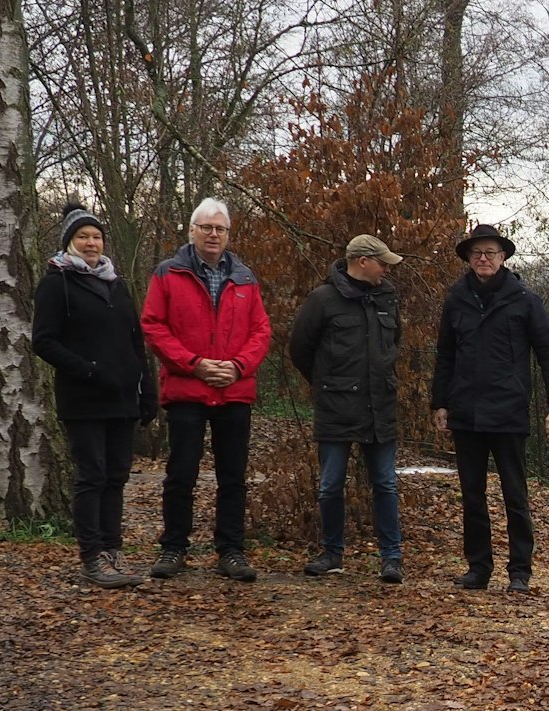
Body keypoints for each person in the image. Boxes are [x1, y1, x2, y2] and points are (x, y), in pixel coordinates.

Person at [141, 197, 272, 582]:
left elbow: (261, 330)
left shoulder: (245, 278)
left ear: (228, 234)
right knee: (181, 473)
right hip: (187, 391)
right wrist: (195, 364)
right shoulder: (168, 273)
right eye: (207, 227)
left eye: (220, 229)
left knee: (233, 476)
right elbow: (153, 327)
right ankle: (173, 548)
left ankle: (231, 550)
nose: (213, 234)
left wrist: (237, 366)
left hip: (234, 390)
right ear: (192, 231)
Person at [431, 224, 549, 593]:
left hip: (508, 412)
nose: (484, 259)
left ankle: (519, 572)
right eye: (477, 253)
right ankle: (478, 568)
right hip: (466, 412)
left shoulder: (524, 299)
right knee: (472, 495)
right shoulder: (456, 299)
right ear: (469, 259)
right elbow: (445, 355)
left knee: (515, 495)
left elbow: (548, 354)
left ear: (503, 256)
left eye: (490, 252)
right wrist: (439, 402)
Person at [30, 203, 157, 589]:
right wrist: (86, 369)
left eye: (96, 236)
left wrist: (147, 390)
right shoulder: (57, 283)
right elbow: (43, 342)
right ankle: (91, 556)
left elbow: (137, 342)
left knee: (117, 475)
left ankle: (112, 551)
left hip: (122, 398)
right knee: (92, 475)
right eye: (83, 236)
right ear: (69, 241)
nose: (91, 243)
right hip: (83, 399)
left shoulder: (116, 284)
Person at [288, 235, 407, 584]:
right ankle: (331, 553)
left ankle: (392, 558)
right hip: (336, 408)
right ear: (362, 261)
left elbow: (394, 343)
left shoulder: (387, 297)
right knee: (330, 485)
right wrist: (327, 384)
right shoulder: (323, 299)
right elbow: (300, 349)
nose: (386, 269)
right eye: (382, 262)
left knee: (385, 483)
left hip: (380, 407)